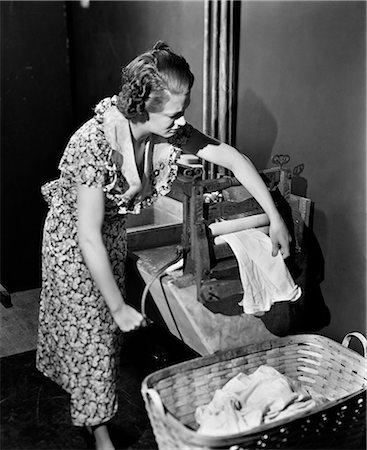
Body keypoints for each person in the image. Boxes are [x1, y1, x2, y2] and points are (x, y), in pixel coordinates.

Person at [36, 41, 291, 450]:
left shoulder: (163, 129)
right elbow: (86, 235)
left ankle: (86, 401)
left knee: (96, 333)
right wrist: (119, 306)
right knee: (93, 332)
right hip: (73, 245)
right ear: (141, 109)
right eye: (174, 112)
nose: (182, 119)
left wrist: (275, 218)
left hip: (110, 237)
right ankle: (99, 430)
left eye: (184, 108)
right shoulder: (92, 145)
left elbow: (232, 158)